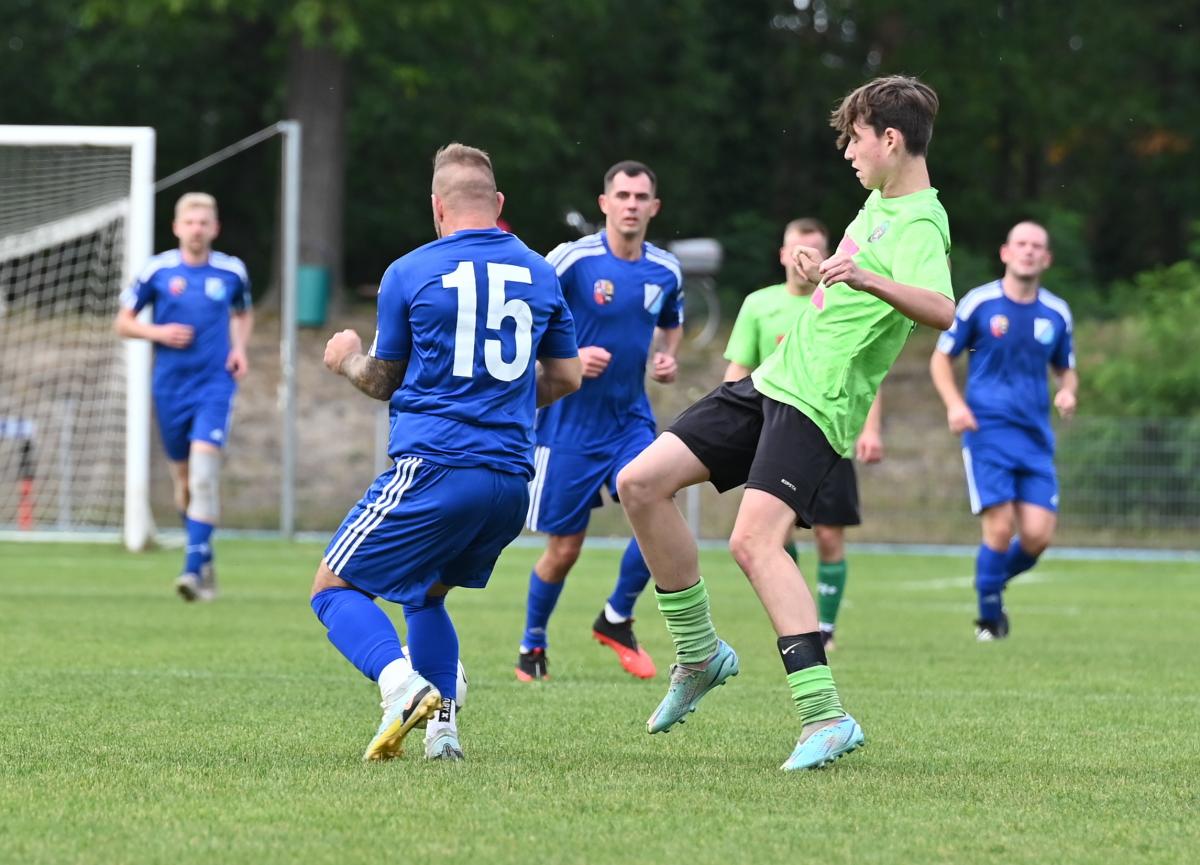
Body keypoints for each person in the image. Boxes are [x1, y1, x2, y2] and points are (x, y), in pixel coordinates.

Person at [616, 75, 954, 771]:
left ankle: (826, 716)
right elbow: (852, 283)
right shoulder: (879, 203)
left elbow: (942, 308)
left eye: (856, 139)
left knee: (754, 543)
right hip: (772, 381)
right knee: (640, 483)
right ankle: (699, 654)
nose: (848, 153)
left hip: (817, 400)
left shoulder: (921, 220)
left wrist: (867, 279)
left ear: (891, 140)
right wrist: (820, 267)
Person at [310, 143, 581, 763]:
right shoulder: (541, 272)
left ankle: (402, 687)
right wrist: (502, 395)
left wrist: (344, 357)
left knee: (332, 588)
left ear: (437, 207)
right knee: (425, 593)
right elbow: (567, 377)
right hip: (511, 482)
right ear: (498, 203)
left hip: (437, 466)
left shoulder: (410, 271)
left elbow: (381, 380)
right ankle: (443, 734)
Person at [516, 160, 683, 682]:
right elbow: (523, 319)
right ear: (604, 204)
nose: (631, 205)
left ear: (654, 207)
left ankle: (616, 616)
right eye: (622, 196)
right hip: (566, 427)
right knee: (564, 550)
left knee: (660, 509)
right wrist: (565, 359)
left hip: (630, 420)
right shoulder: (571, 260)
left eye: (641, 197)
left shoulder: (666, 270)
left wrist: (666, 358)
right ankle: (532, 645)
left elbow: (671, 323)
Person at [723, 218, 884, 650]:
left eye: (812, 250)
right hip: (775, 436)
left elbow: (866, 366)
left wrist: (871, 428)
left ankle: (826, 626)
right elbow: (738, 369)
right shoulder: (758, 304)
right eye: (796, 250)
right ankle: (794, 614)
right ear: (782, 255)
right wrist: (731, 423)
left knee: (830, 535)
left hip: (830, 436)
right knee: (771, 535)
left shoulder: (843, 300)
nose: (803, 259)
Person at [930, 221, 1077, 641]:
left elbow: (1066, 369)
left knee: (1037, 537)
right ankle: (990, 621)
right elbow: (941, 359)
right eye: (1021, 244)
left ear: (1046, 258)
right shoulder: (979, 303)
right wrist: (955, 405)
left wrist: (1067, 392)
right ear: (1006, 253)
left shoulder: (1057, 312)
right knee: (999, 528)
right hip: (987, 430)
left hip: (1035, 438)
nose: (1029, 251)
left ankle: (989, 580)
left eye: (1037, 246)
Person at [115, 192, 253, 602]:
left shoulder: (231, 271)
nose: (197, 229)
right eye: (190, 222)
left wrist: (239, 348)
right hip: (170, 387)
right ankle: (204, 555)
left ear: (215, 228)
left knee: (204, 473)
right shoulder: (157, 270)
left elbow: (243, 312)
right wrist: (157, 332)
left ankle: (192, 570)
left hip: (214, 386)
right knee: (184, 481)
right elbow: (123, 323)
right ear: (177, 227)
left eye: (204, 223)